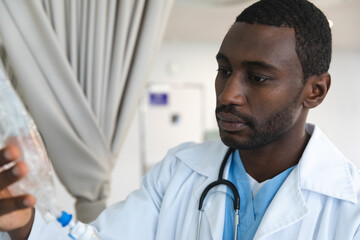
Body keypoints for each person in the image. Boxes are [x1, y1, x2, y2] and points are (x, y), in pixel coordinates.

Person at [1, 0, 360, 239]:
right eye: (224, 70)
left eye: (258, 77)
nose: (227, 94)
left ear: (315, 91)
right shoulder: (180, 170)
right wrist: (24, 225)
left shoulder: (350, 209)